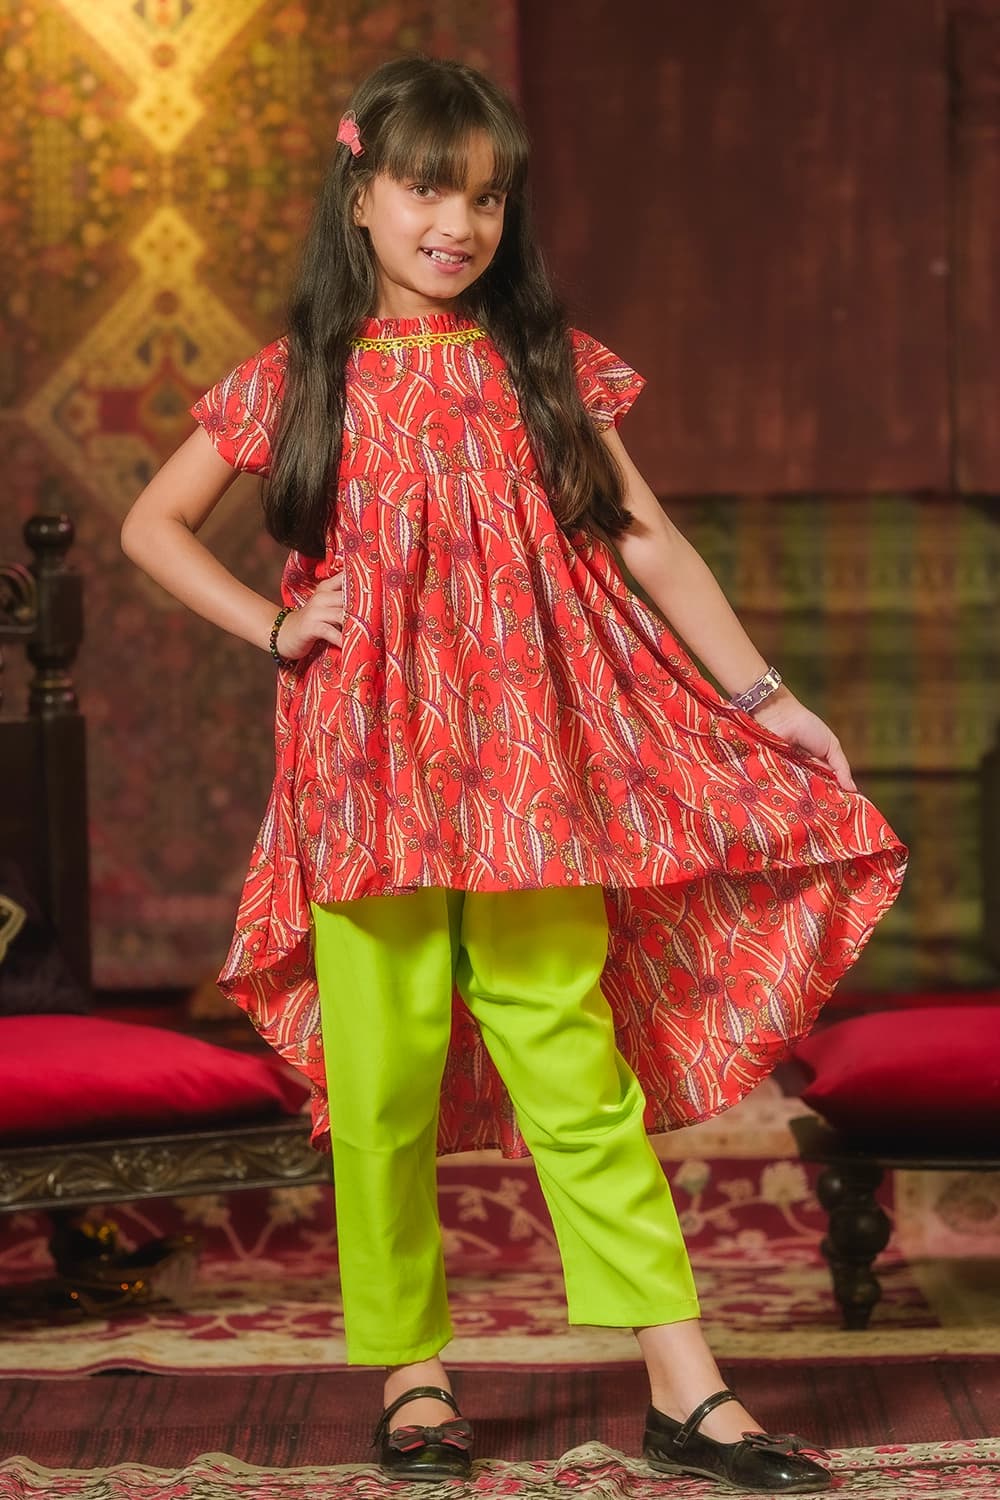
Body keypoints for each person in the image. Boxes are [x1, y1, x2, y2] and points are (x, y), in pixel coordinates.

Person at [121, 54, 906, 1493]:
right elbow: (151, 526)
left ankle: (687, 1388)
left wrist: (768, 698)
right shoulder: (296, 378)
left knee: (573, 1066)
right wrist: (277, 625)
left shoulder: (544, 366)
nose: (458, 223)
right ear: (360, 195)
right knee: (383, 1080)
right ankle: (412, 1376)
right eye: (428, 189)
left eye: (486, 198)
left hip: (531, 772)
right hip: (365, 770)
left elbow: (650, 539)